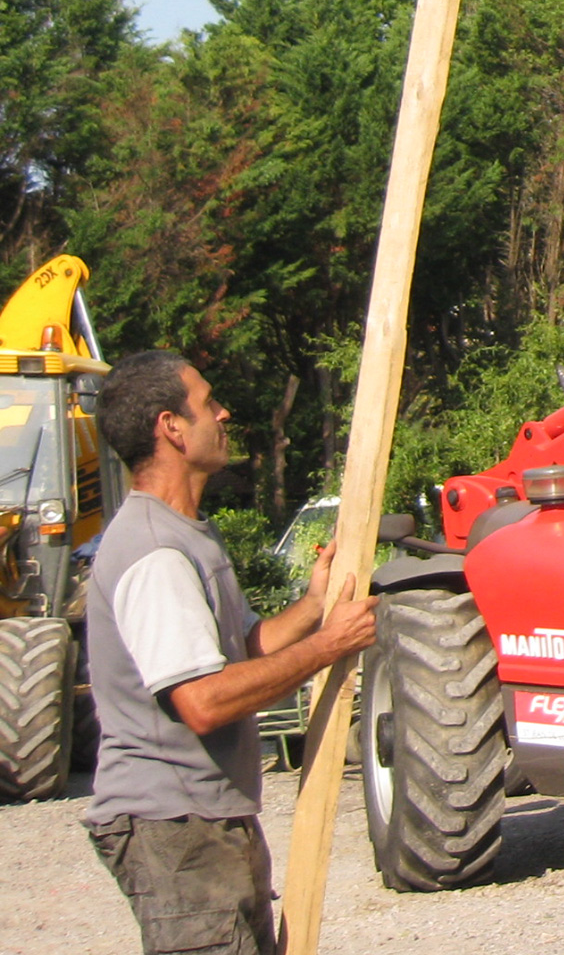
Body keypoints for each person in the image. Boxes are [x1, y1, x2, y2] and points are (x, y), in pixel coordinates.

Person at [83, 350, 378, 955]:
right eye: (207, 401)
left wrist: (313, 607)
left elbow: (240, 648)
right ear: (171, 428)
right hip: (173, 825)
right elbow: (203, 701)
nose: (223, 412)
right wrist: (329, 645)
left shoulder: (188, 533)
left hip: (203, 819)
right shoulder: (154, 552)